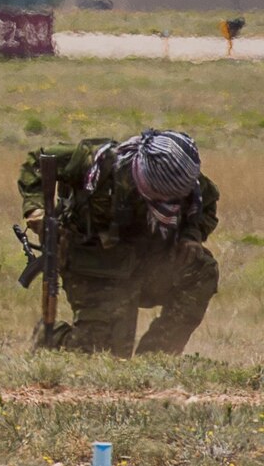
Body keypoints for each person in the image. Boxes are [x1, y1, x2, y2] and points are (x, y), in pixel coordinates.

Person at [18, 129, 218, 356]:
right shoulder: (98, 163)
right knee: (105, 354)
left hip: (147, 262)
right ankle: (50, 339)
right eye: (160, 194)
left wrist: (191, 236)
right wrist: (37, 212)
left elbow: (206, 204)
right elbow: (38, 162)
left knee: (201, 269)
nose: (168, 202)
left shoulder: (182, 177)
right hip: (94, 266)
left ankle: (156, 358)